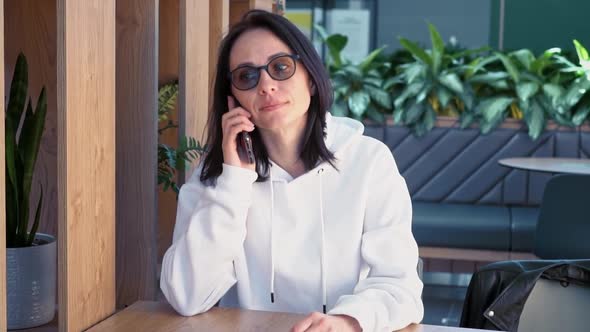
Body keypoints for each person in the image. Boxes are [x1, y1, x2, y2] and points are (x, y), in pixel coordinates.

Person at [160, 9, 424, 332]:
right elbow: (185, 295)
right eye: (247, 76)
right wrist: (234, 182)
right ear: (233, 99)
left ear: (311, 79)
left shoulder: (368, 162)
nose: (267, 86)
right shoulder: (217, 175)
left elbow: (401, 288)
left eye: (281, 67)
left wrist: (346, 322)